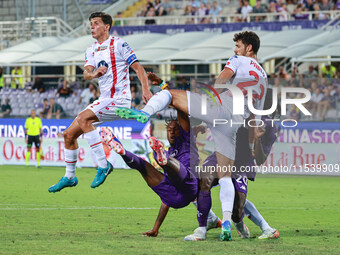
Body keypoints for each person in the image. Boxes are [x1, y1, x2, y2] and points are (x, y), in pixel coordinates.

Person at [116, 31, 268, 241]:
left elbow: (222, 79)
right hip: (234, 125)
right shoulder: (264, 77)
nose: (235, 49)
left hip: (222, 109)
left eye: (238, 45)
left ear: (249, 48)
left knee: (171, 95)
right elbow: (254, 115)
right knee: (224, 176)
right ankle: (225, 225)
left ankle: (144, 112)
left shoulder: (238, 60)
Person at [48, 12, 152, 193]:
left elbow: (138, 67)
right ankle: (70, 176)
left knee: (83, 119)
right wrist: (94, 74)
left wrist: (145, 89)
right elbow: (86, 73)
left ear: (107, 27)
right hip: (104, 100)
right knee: (68, 135)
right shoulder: (91, 50)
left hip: (119, 99)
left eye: (96, 23)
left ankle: (103, 165)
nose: (92, 27)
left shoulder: (119, 44)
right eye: (91, 24)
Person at [100, 112, 220, 236]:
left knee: (177, 171)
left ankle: (164, 163)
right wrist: (155, 228)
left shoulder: (187, 141)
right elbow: (165, 201)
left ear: (182, 131)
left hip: (190, 186)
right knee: (143, 166)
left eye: (176, 129)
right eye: (169, 130)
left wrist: (174, 101)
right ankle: (123, 152)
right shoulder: (169, 152)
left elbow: (184, 115)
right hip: (175, 198)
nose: (172, 132)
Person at [184, 89, 280, 241]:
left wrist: (257, 140)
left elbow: (260, 159)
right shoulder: (240, 106)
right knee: (204, 180)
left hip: (242, 162)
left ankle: (243, 224)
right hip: (222, 154)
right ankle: (202, 229)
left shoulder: (269, 126)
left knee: (237, 208)